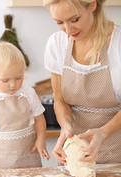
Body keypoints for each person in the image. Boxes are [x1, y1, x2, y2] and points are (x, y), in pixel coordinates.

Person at [44, 0, 121, 164]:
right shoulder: (57, 44)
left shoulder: (118, 42)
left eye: (74, 20)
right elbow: (59, 99)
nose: (68, 29)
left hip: (117, 153)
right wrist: (66, 126)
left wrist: (104, 132)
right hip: (74, 155)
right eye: (59, 22)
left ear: (92, 5)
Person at [0, 42, 50, 170]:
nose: (13, 84)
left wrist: (41, 140)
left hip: (29, 155)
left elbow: (39, 119)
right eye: (6, 80)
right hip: (1, 160)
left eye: (19, 78)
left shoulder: (29, 93)